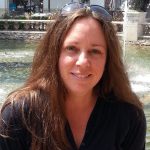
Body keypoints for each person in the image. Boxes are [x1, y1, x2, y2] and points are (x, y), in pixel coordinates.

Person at [0, 2, 146, 150]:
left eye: (95, 51)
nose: (82, 62)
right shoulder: (19, 115)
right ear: (55, 53)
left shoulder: (130, 117)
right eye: (71, 48)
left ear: (108, 59)